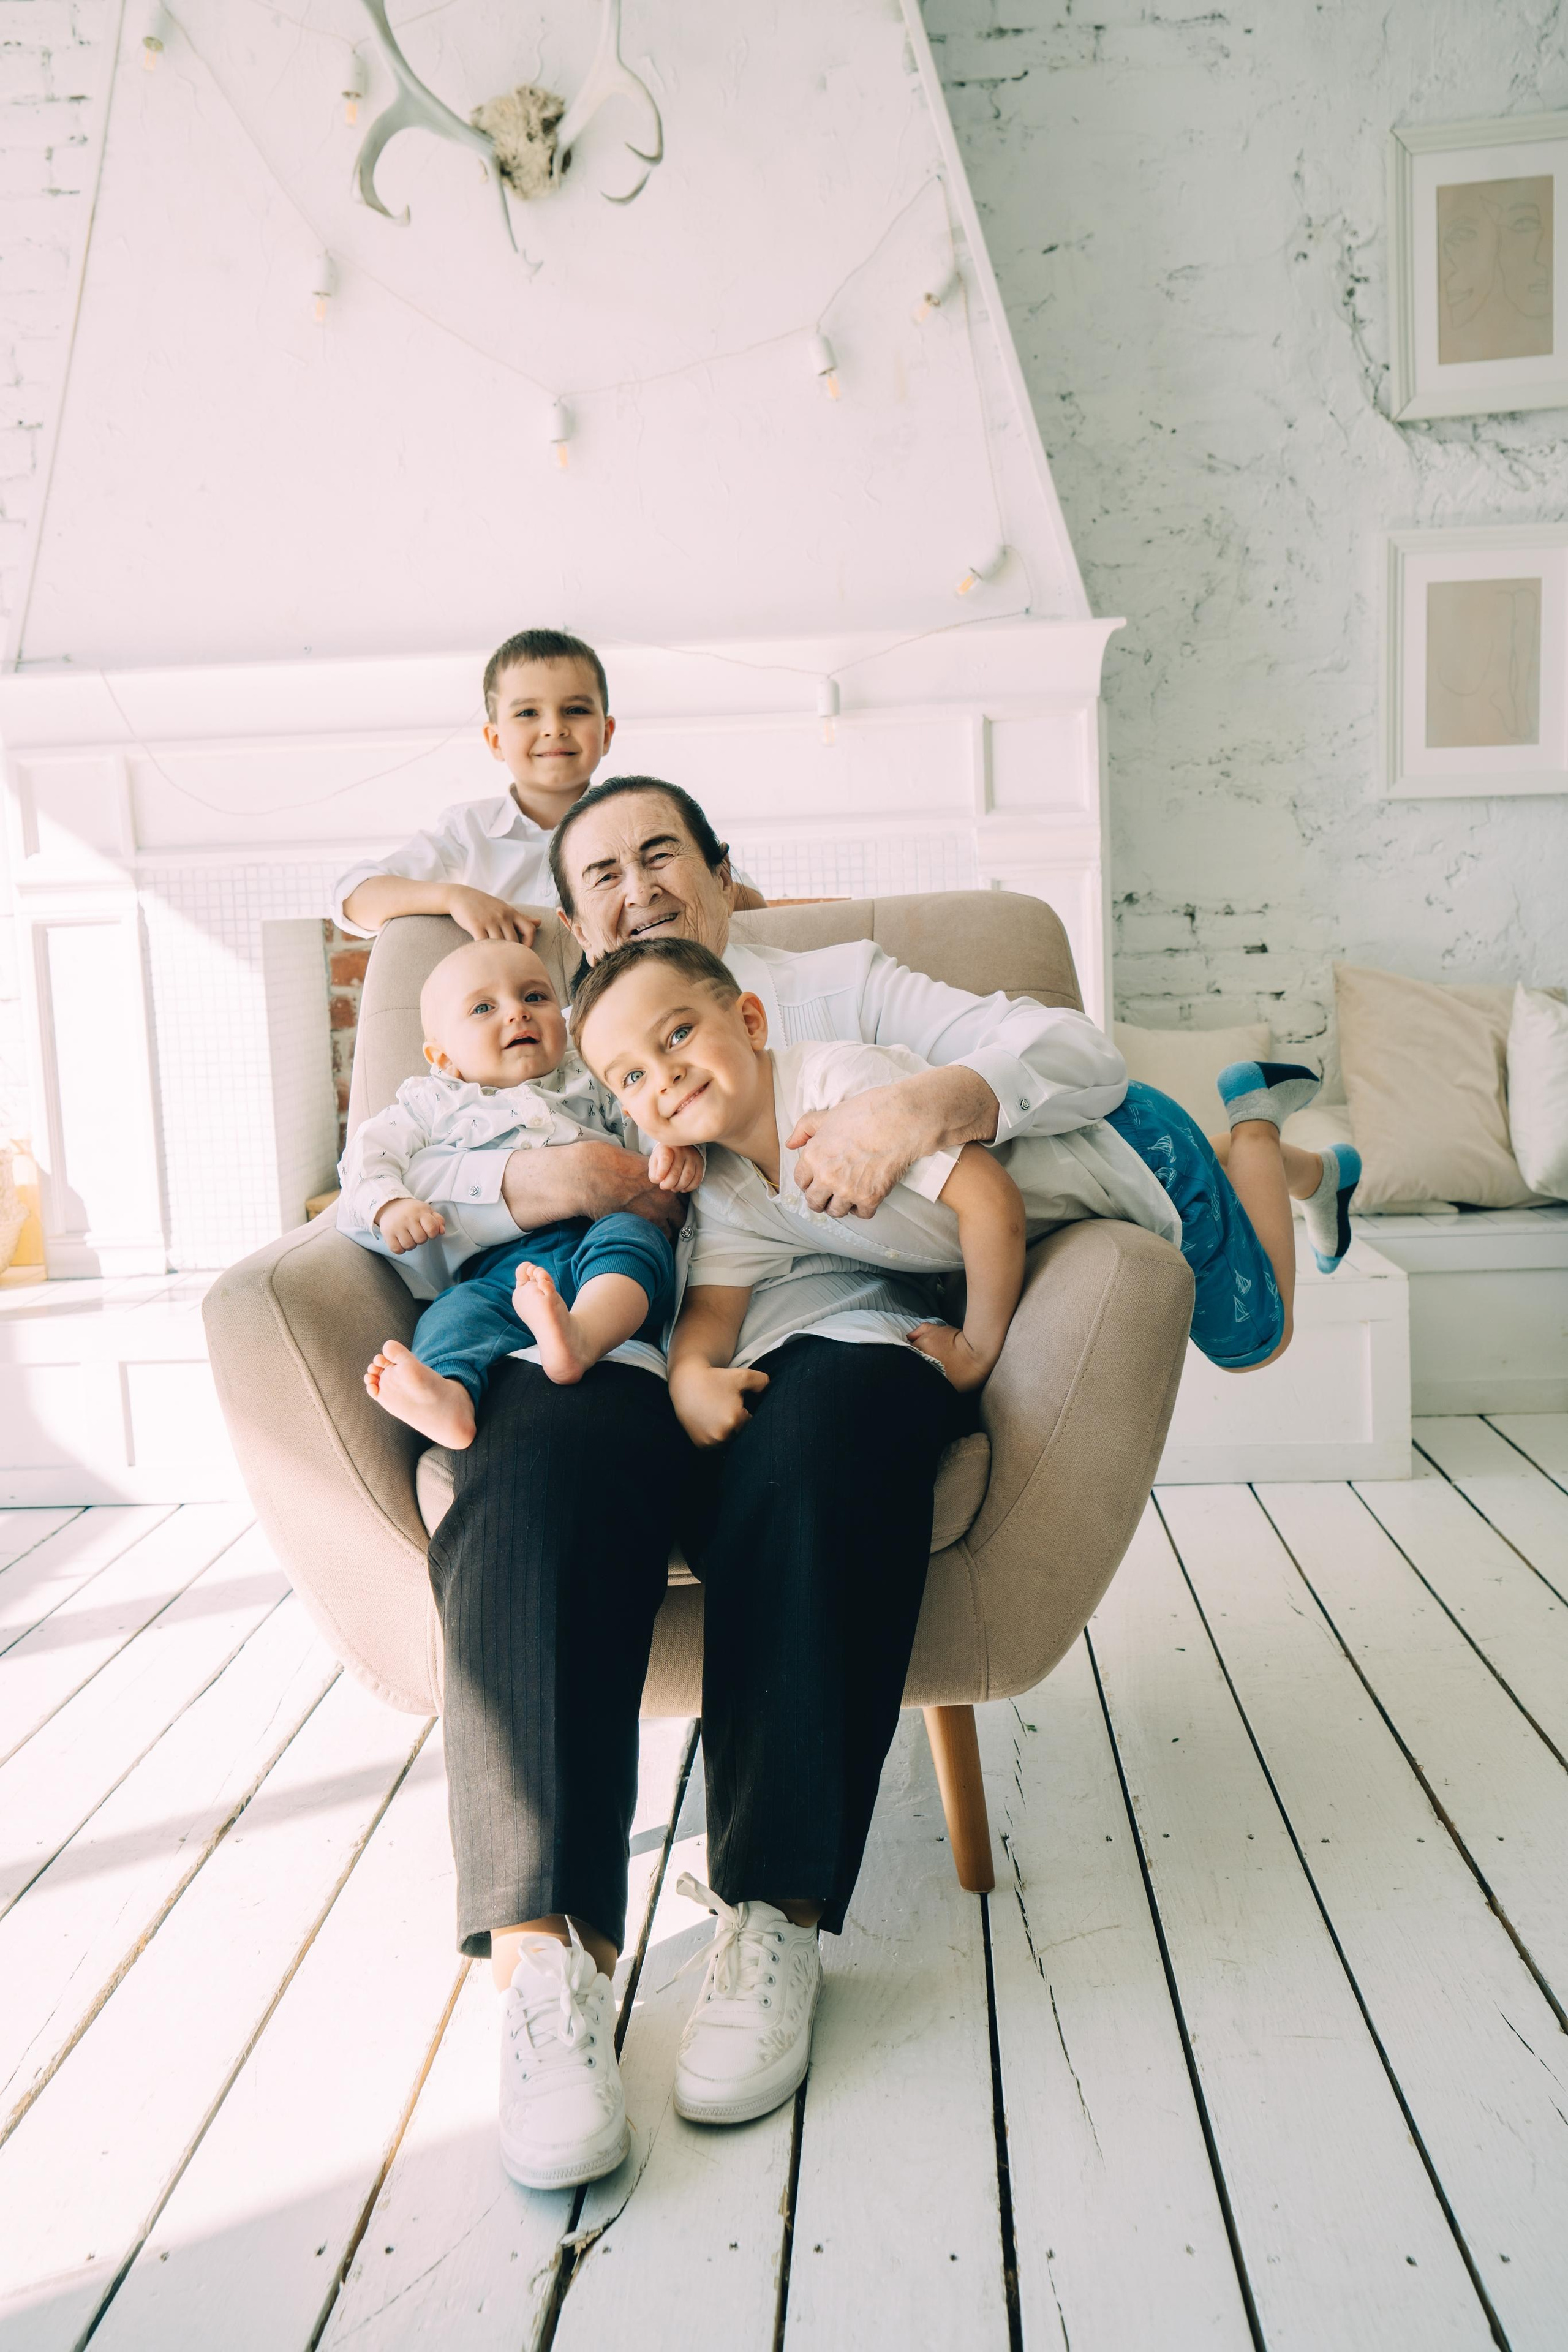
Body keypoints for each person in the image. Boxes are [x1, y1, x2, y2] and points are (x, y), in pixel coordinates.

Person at [426, 772, 1355, 2195]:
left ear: (724, 875)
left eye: (660, 853)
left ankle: (770, 1910)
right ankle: (541, 1960)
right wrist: (541, 1188)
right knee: (527, 1442)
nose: (634, 886)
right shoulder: (536, 1038)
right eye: (598, 872)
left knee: (842, 1422)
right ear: (567, 918)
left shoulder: (830, 994)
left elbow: (1066, 1060)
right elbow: (412, 1172)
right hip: (612, 1343)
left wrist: (923, 1100)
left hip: (839, 1320)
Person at [570, 935, 1030, 1439]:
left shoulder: (835, 1086)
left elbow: (990, 1198)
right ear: (629, 1114)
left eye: (678, 1034)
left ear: (750, 1023)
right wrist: (688, 1377)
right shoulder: (723, 1180)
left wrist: (975, 1349)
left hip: (1109, 1167)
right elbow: (715, 1304)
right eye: (633, 1076)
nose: (665, 1076)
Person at [339, 938, 694, 1451]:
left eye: (535, 997)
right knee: (455, 1312)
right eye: (484, 1007)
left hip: (604, 1243)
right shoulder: (431, 1102)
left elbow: (649, 1113)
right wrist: (390, 1203)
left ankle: (582, 1336)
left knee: (634, 1238)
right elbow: (366, 1157)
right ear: (443, 1057)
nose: (516, 1015)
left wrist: (672, 1149)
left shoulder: (593, 1076)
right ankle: (451, 1396)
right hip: (501, 1271)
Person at [330, 627, 764, 946]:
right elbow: (352, 897)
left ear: (607, 732)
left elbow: (748, 906)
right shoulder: (469, 832)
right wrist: (454, 897)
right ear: (495, 740)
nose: (555, 729)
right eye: (527, 714)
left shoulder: (639, 818)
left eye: (575, 710)